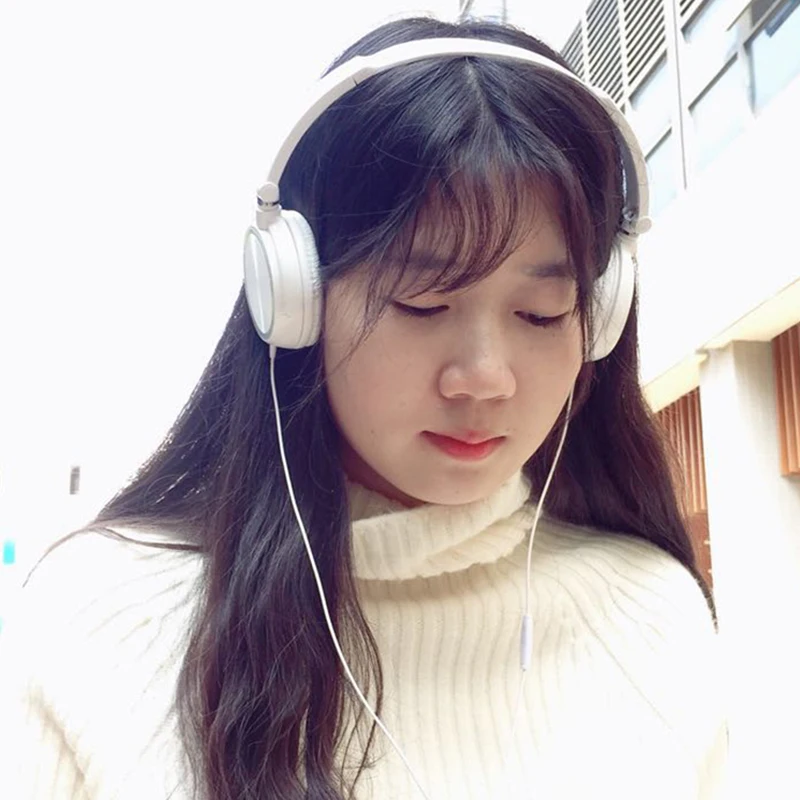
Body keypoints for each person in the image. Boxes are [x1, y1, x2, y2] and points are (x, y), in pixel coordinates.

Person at [0, 14, 728, 800]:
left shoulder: (651, 616)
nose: (484, 378)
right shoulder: (102, 624)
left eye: (541, 313)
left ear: (600, 317)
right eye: (422, 303)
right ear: (295, 297)